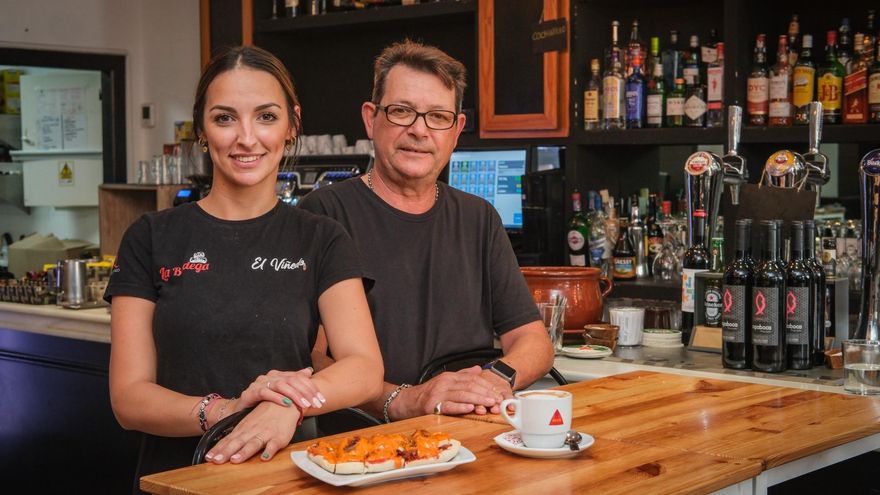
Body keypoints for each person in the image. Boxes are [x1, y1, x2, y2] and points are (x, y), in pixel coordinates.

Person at [105, 46, 383, 491]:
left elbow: (363, 366)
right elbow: (129, 397)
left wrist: (289, 404)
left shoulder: (321, 237)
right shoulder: (151, 237)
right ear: (202, 130)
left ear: (292, 125)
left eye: (266, 117)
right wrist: (227, 410)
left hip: (287, 478)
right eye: (225, 118)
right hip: (178, 479)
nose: (247, 138)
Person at [299, 40, 554, 422]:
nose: (419, 130)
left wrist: (493, 380)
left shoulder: (479, 218)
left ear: (456, 130)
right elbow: (313, 359)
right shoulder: (323, 216)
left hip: (475, 429)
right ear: (371, 118)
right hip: (364, 445)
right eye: (402, 111)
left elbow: (533, 341)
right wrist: (407, 399)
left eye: (437, 116)